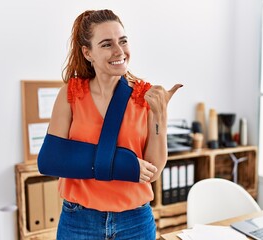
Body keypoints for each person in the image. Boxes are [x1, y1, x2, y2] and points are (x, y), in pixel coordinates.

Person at [47, 9, 182, 240]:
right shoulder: (71, 94)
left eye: (123, 41)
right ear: (88, 53)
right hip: (79, 220)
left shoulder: (143, 96)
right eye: (107, 44)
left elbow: (153, 171)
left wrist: (160, 115)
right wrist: (122, 165)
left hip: (135, 221)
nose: (119, 51)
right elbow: (51, 160)